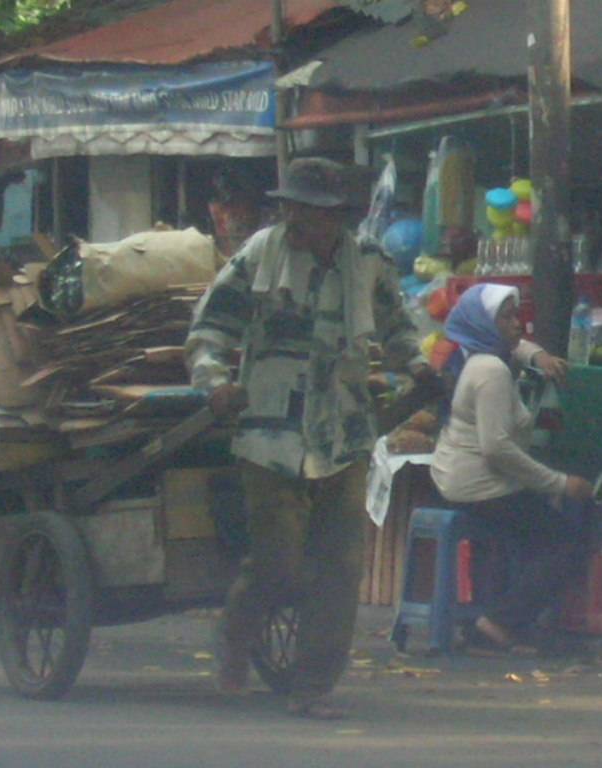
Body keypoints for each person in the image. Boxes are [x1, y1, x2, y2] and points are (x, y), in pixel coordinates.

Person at [186, 156, 426, 719]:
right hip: (270, 435)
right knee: (278, 565)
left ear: (334, 215)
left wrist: (418, 368)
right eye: (291, 207)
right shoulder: (259, 255)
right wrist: (215, 382)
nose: (298, 219)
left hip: (343, 432)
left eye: (310, 211)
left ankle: (313, 685)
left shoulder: (369, 262)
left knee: (341, 565)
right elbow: (210, 329)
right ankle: (236, 636)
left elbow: (398, 330)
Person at [429, 283, 594, 649]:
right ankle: (498, 623)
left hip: (458, 478)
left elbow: (519, 347)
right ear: (485, 324)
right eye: (506, 317)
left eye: (516, 315)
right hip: (478, 486)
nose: (517, 324)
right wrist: (559, 483)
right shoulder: (490, 371)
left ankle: (505, 616)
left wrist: (540, 358)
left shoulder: (483, 354)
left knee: (539, 531)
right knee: (567, 541)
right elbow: (497, 450)